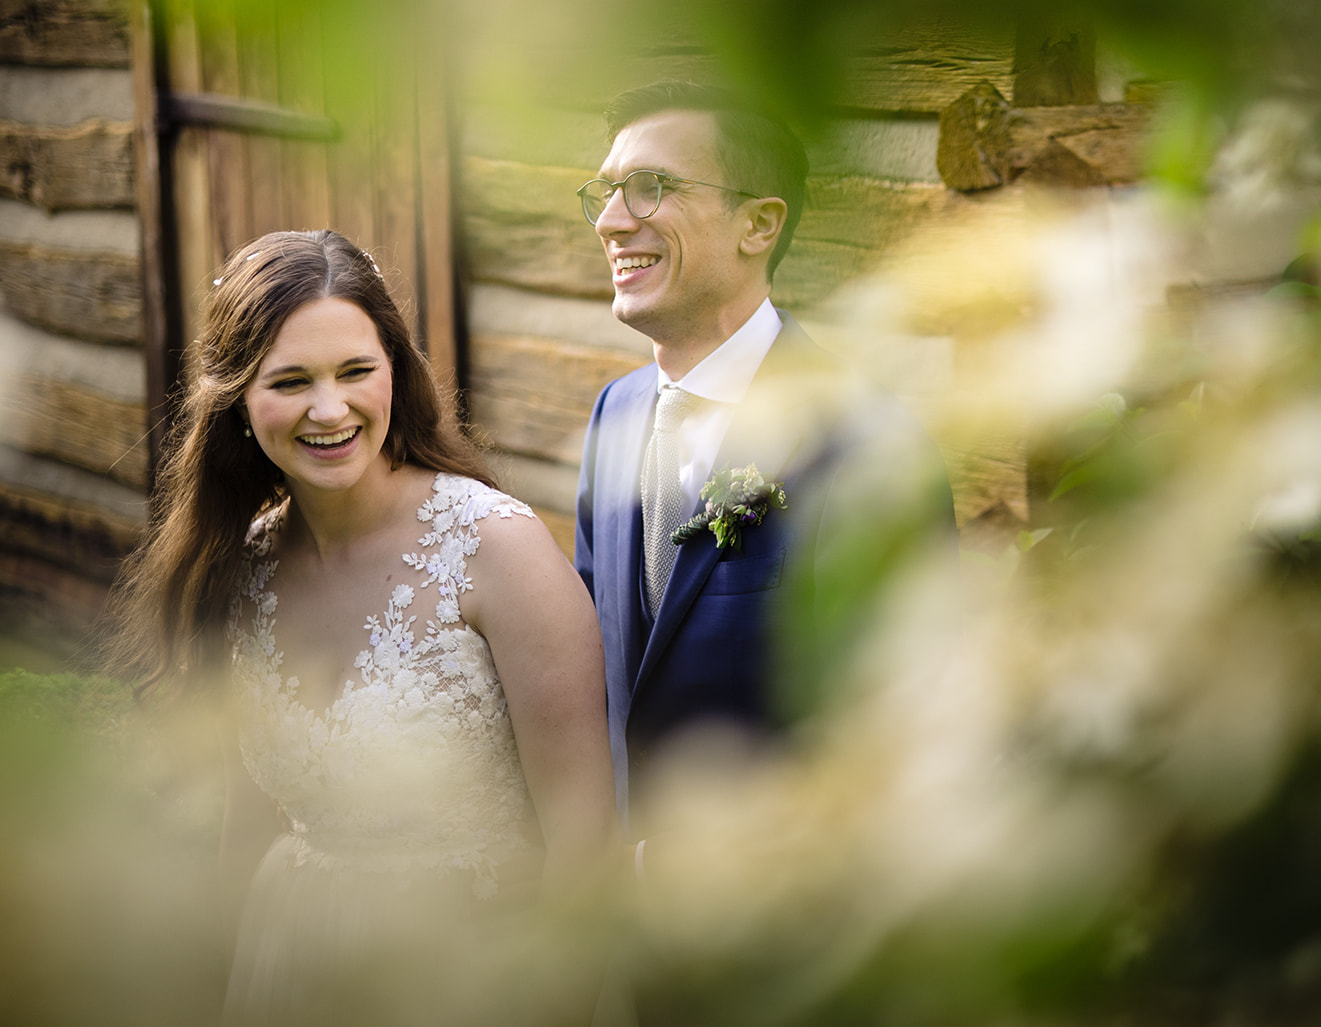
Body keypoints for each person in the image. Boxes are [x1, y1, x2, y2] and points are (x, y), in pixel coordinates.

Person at [106, 230, 617, 1025]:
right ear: (238, 398)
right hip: (290, 960)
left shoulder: (498, 552)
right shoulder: (243, 567)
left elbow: (585, 847)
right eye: (290, 380)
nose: (329, 408)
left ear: (395, 374)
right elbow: (249, 821)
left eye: (355, 371)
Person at [573, 82, 957, 842]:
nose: (614, 222)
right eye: (607, 194)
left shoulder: (866, 441)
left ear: (758, 223)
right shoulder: (613, 414)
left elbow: (909, 730)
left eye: (651, 189)